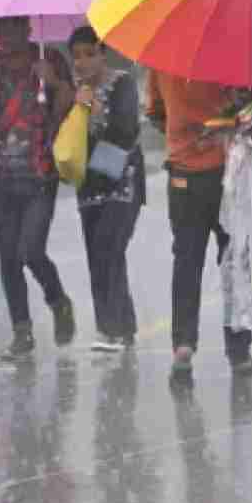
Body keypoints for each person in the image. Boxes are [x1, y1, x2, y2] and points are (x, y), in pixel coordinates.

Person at [146, 70, 252, 377]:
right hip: (228, 175)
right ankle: (239, 351)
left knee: (186, 260)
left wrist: (187, 129)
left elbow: (156, 112)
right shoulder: (237, 56)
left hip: (183, 174)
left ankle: (183, 342)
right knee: (234, 260)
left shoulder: (164, 58)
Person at [0, 15, 76, 362]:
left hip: (40, 173)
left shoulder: (50, 59)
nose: (4, 35)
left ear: (27, 28)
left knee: (31, 250)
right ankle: (22, 332)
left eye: (12, 28)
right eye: (0, 29)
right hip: (2, 176)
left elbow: (69, 107)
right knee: (9, 257)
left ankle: (58, 301)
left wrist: (54, 82)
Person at [68, 27, 146, 352]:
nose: (83, 63)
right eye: (76, 57)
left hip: (122, 181)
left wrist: (96, 112)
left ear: (102, 54)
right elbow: (69, 137)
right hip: (89, 185)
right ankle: (113, 328)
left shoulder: (122, 83)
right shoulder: (75, 92)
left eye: (89, 54)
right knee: (96, 253)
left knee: (109, 247)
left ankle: (118, 328)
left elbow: (126, 131)